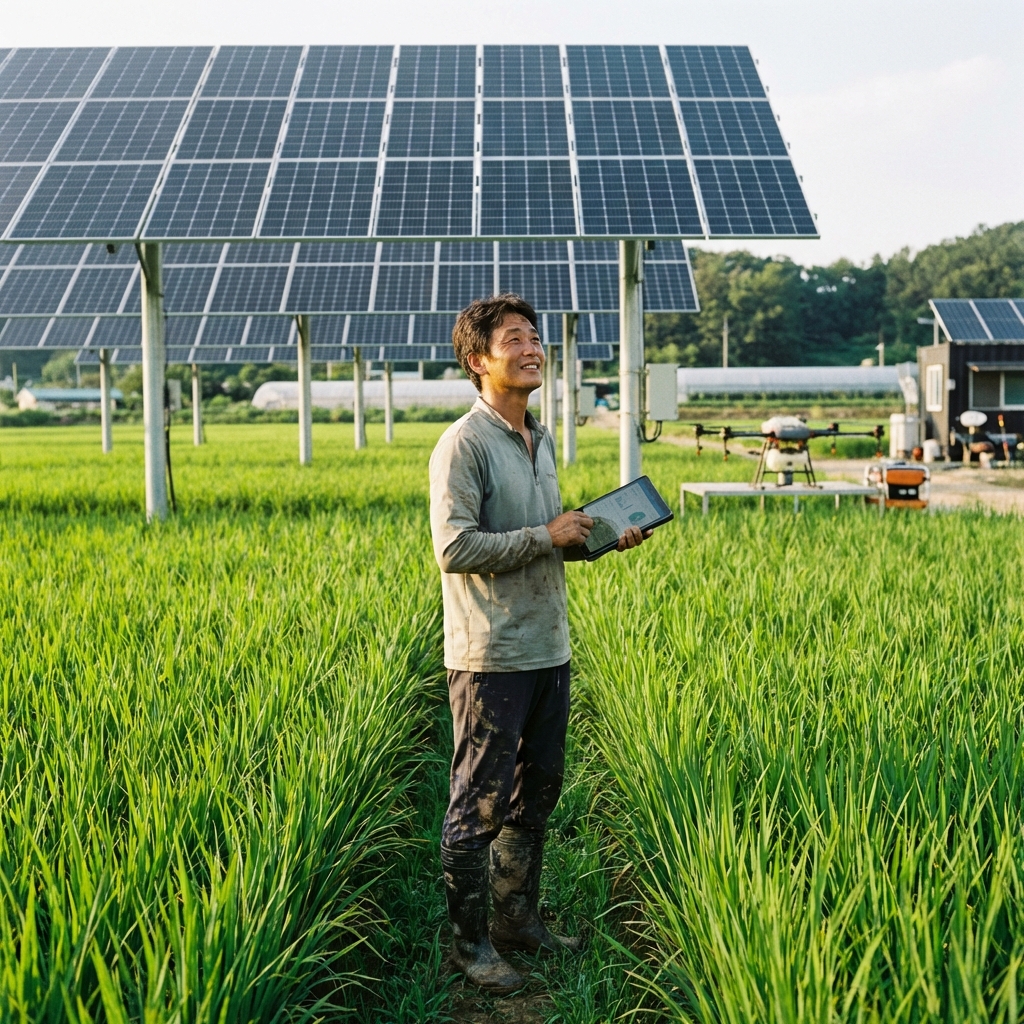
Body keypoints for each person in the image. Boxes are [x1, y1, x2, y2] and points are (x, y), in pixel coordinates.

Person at [428, 293, 650, 993]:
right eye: (514, 339)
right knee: (479, 803)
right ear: (477, 361)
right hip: (491, 654)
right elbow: (454, 546)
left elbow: (549, 539)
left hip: (548, 645)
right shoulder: (463, 443)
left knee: (536, 796)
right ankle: (469, 946)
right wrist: (544, 536)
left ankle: (516, 920)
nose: (533, 348)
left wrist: (599, 539)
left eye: (535, 337)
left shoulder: (540, 435)